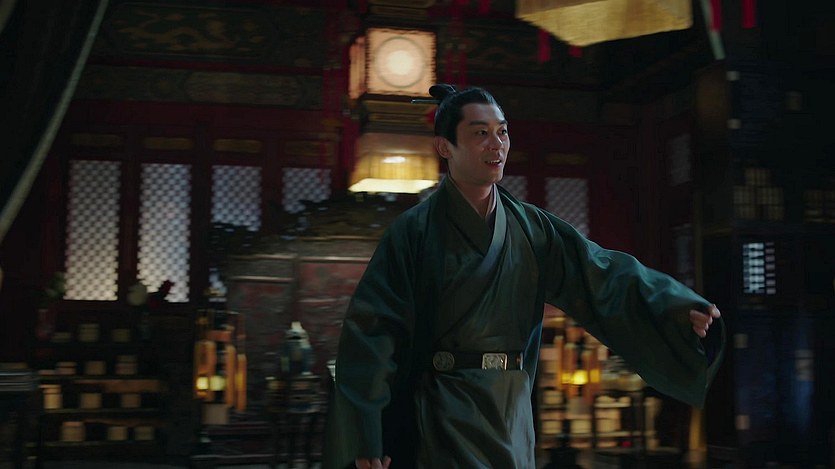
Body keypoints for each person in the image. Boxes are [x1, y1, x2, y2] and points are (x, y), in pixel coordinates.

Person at [323, 84, 724, 469]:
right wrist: (367, 433)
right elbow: (373, 332)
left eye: (502, 132)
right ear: (445, 147)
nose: (496, 145)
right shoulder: (413, 232)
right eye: (480, 133)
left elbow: (601, 272)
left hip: (511, 405)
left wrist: (671, 303)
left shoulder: (532, 229)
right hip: (442, 405)